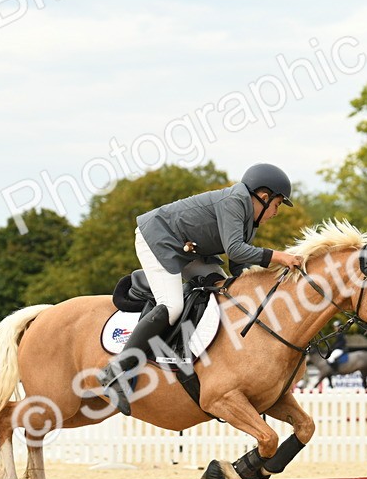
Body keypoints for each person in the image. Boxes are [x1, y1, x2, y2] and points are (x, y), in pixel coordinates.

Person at [97, 163, 304, 415]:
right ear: (264, 196)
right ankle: (116, 369)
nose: (276, 212)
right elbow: (236, 250)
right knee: (172, 306)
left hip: (189, 249)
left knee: (223, 294)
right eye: (277, 204)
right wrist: (280, 257)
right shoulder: (234, 202)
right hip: (158, 239)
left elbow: (237, 266)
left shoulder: (249, 218)